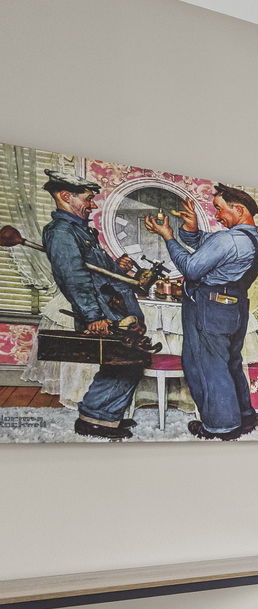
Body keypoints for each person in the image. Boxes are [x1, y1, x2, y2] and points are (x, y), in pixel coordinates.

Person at [144, 184, 258, 440]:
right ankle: (245, 416)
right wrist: (190, 229)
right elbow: (209, 245)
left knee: (207, 366)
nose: (217, 216)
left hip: (209, 307)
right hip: (235, 308)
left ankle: (221, 427)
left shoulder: (228, 239)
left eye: (220, 209)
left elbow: (191, 268)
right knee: (230, 364)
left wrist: (168, 235)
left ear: (239, 209)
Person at [40, 170, 145, 439]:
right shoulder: (62, 232)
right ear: (66, 196)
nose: (93, 204)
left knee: (125, 361)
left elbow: (97, 272)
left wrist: (116, 267)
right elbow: (73, 278)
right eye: (88, 198)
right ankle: (94, 420)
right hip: (103, 312)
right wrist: (92, 316)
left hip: (116, 308)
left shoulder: (80, 231)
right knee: (123, 361)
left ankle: (103, 417)